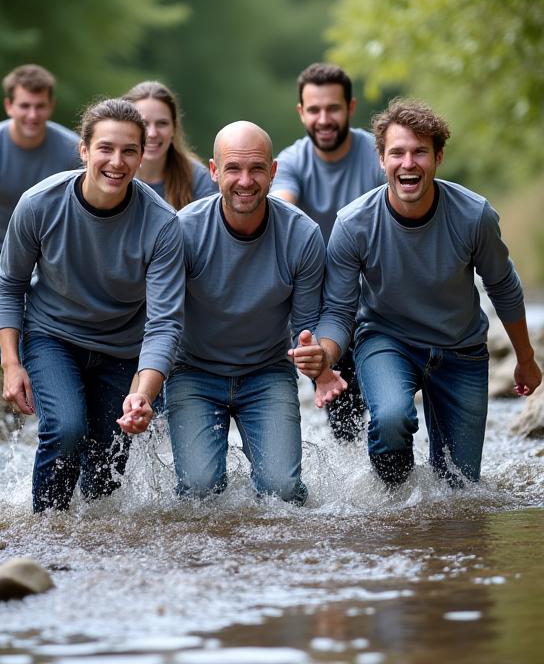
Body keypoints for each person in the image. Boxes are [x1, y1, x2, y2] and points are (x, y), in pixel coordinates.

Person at [316, 98, 542, 487]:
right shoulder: (353, 225)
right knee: (390, 420)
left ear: (438, 158)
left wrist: (525, 358)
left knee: (460, 487)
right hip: (387, 342)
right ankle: (394, 501)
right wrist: (326, 357)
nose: (408, 163)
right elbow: (338, 309)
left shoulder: (474, 216)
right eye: (397, 153)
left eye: (420, 152)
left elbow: (503, 286)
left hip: (461, 352)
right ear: (381, 160)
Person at [0, 98, 185, 512]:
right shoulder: (39, 204)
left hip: (122, 351)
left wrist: (143, 394)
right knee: (65, 430)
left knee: (103, 477)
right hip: (53, 338)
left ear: (141, 156)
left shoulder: (162, 223)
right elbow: (10, 285)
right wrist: (11, 362)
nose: (116, 162)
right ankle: (46, 536)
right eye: (106, 148)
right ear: (84, 150)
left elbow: (165, 322)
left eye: (129, 151)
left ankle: (92, 553)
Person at [165, 120, 346, 505]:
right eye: (233, 168)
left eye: (256, 169)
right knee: (198, 494)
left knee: (282, 494)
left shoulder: (302, 234)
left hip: (266, 375)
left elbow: (308, 326)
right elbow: (160, 319)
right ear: (214, 172)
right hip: (194, 373)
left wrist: (321, 363)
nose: (245, 181)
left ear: (273, 171)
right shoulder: (183, 231)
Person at [271, 63, 385, 441]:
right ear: (301, 112)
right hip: (326, 314)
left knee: (391, 416)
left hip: (383, 308)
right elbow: (281, 211)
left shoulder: (380, 156)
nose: (324, 119)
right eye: (314, 110)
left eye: (332, 108)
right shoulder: (290, 163)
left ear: (350, 108)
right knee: (346, 428)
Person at [0, 64, 81, 327]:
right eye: (24, 106)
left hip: (53, 255)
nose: (32, 114)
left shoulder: (73, 149)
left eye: (40, 106)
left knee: (49, 332)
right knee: (9, 330)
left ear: (50, 106)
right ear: (9, 105)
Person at [122, 80, 217, 209]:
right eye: (143, 123)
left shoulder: (198, 179)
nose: (152, 133)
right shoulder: (113, 173)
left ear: (174, 127)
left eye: (162, 123)